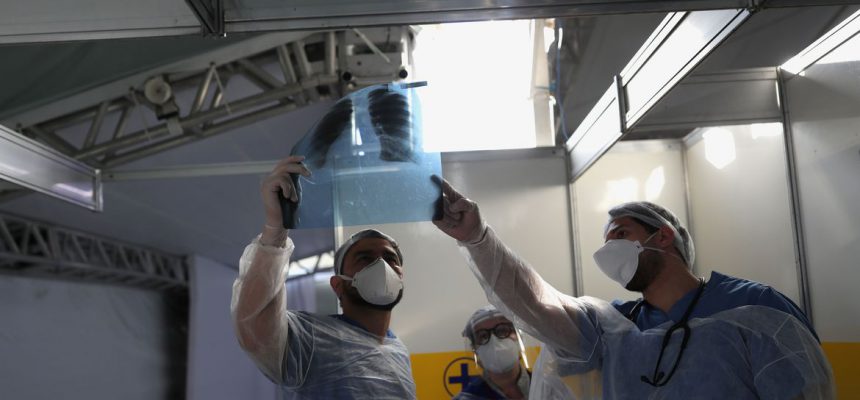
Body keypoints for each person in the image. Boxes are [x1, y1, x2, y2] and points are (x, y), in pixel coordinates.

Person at [432, 176, 834, 399]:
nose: (609, 250)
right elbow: (533, 301)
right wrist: (477, 238)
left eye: (620, 234)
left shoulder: (754, 307)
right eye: (605, 241)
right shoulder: (613, 328)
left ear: (662, 236)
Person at [231, 156, 416, 399]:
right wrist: (276, 229)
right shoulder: (309, 339)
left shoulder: (398, 351)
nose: (382, 265)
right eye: (364, 258)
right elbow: (254, 324)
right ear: (338, 285)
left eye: (391, 258)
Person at [455, 305, 531, 400]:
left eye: (503, 330)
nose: (494, 341)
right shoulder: (466, 398)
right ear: (475, 349)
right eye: (483, 336)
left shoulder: (549, 386)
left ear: (519, 337)